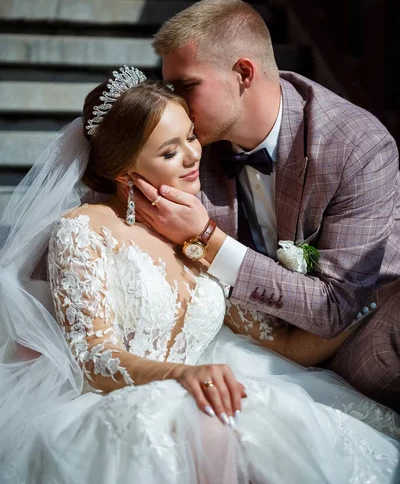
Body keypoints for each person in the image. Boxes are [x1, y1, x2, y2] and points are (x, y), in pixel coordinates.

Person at [0, 67, 399, 483]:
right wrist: (184, 376)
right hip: (119, 404)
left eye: (191, 136)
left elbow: (287, 346)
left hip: (206, 392)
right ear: (124, 173)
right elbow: (93, 357)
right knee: (205, 429)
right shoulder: (85, 230)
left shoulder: (195, 239)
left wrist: (370, 298)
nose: (193, 156)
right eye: (169, 152)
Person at [131, 0, 400, 412]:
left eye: (186, 86)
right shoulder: (186, 147)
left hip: (357, 332)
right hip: (246, 340)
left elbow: (335, 308)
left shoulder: (354, 145)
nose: (175, 103)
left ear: (243, 73)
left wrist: (207, 239)